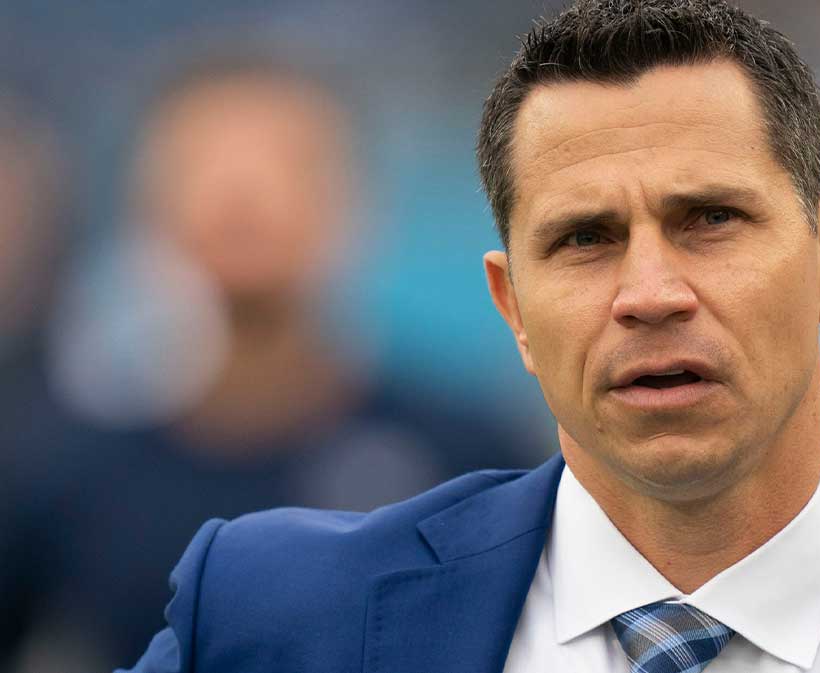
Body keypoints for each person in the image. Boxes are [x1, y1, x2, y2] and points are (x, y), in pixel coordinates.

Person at [121, 2, 820, 672]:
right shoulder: (270, 625)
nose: (650, 290)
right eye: (585, 238)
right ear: (513, 309)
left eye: (709, 220)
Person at [0, 55, 533, 673]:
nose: (242, 195)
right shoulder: (54, 468)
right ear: (145, 202)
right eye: (202, 166)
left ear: (355, 200)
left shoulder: (466, 460)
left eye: (286, 164)